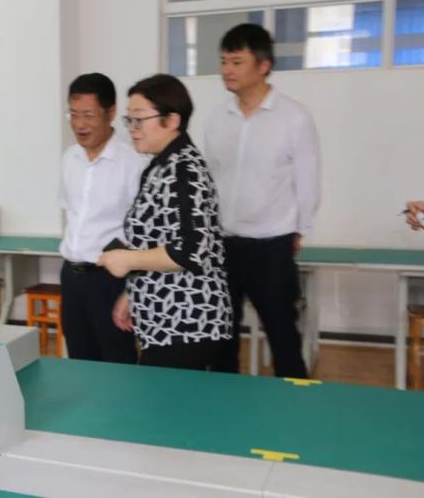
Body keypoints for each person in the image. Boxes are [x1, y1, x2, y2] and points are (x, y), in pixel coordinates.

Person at [205, 23, 320, 379]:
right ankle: (225, 405)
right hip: (223, 245)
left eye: (236, 62)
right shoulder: (217, 118)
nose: (227, 70)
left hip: (272, 247)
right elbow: (210, 180)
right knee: (221, 338)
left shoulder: (294, 117)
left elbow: (308, 180)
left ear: (263, 65)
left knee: (283, 338)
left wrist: (299, 230)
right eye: (224, 61)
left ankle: (294, 407)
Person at [97, 74, 232, 370]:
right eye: (129, 120)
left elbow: (191, 250)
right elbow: (156, 240)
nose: (132, 129)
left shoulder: (185, 170)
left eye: (139, 120)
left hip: (187, 324)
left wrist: (128, 260)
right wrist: (131, 293)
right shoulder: (161, 166)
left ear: (172, 120)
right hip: (165, 323)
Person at [59, 73, 147, 363]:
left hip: (109, 282)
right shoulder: (69, 158)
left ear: (110, 113)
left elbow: (143, 235)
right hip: (72, 277)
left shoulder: (133, 162)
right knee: (79, 361)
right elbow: (71, 214)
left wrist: (131, 291)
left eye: (88, 115)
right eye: (73, 115)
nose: (79, 124)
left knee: (116, 363)